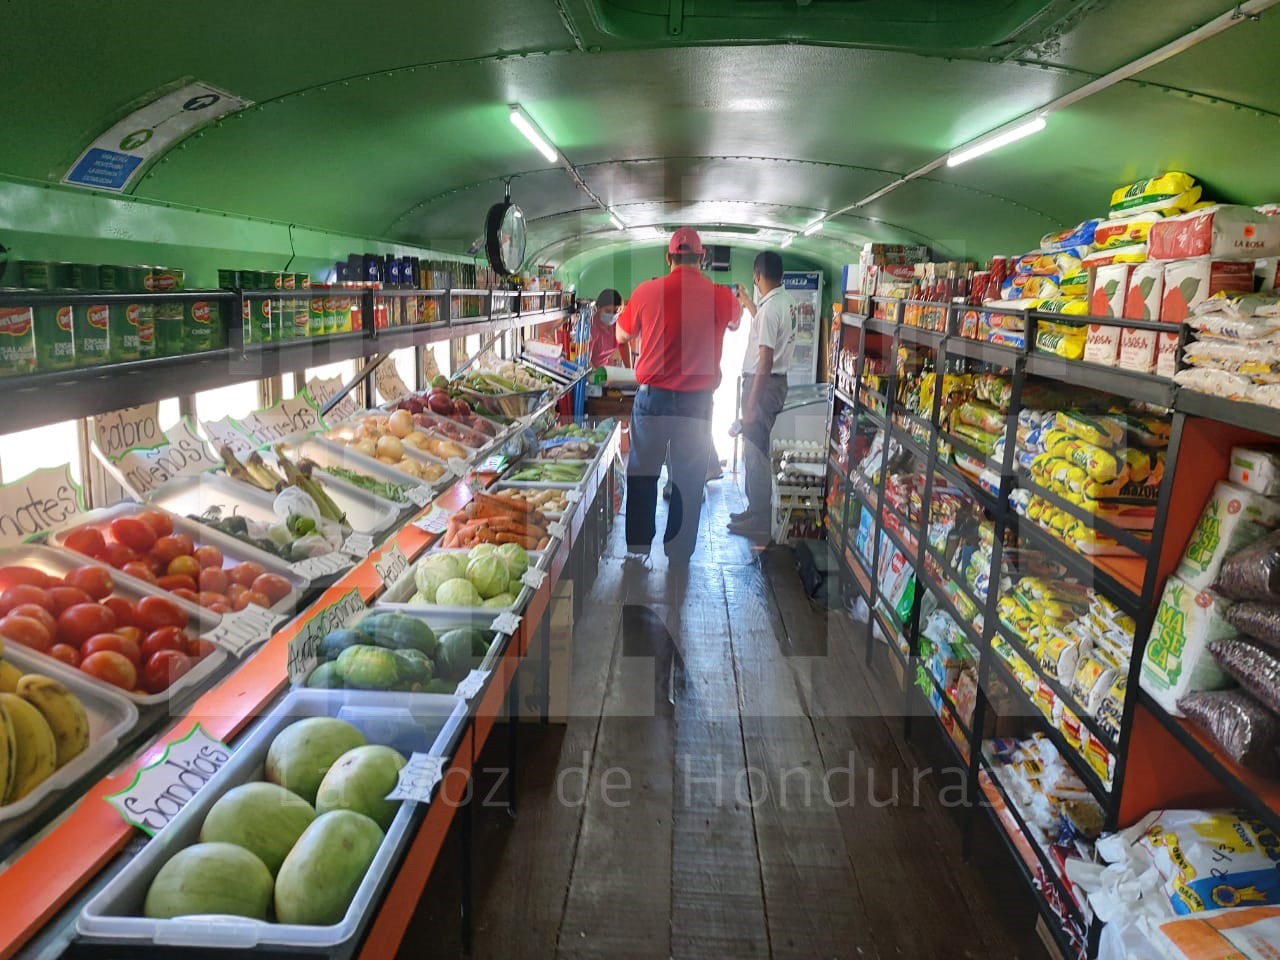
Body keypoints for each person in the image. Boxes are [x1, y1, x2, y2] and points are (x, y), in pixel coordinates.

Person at [615, 227, 740, 563]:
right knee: (687, 478)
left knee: (643, 472)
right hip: (696, 404)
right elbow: (737, 321)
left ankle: (638, 548)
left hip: (652, 399)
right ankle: (679, 552)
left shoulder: (646, 292)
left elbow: (621, 333)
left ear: (668, 258)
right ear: (702, 258)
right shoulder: (720, 295)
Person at [728, 250, 797, 541]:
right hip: (774, 383)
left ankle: (759, 519)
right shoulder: (783, 301)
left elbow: (765, 361)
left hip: (764, 386)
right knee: (755, 449)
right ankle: (754, 509)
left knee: (755, 453)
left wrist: (751, 404)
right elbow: (764, 327)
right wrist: (746, 303)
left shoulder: (770, 309)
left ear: (757, 275)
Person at [587, 288, 629, 368]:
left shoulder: (617, 324)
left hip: (608, 368)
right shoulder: (592, 328)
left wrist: (630, 370)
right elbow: (587, 362)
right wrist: (598, 377)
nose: (612, 315)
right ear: (598, 308)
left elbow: (624, 345)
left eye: (615, 312)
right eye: (607, 311)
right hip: (594, 371)